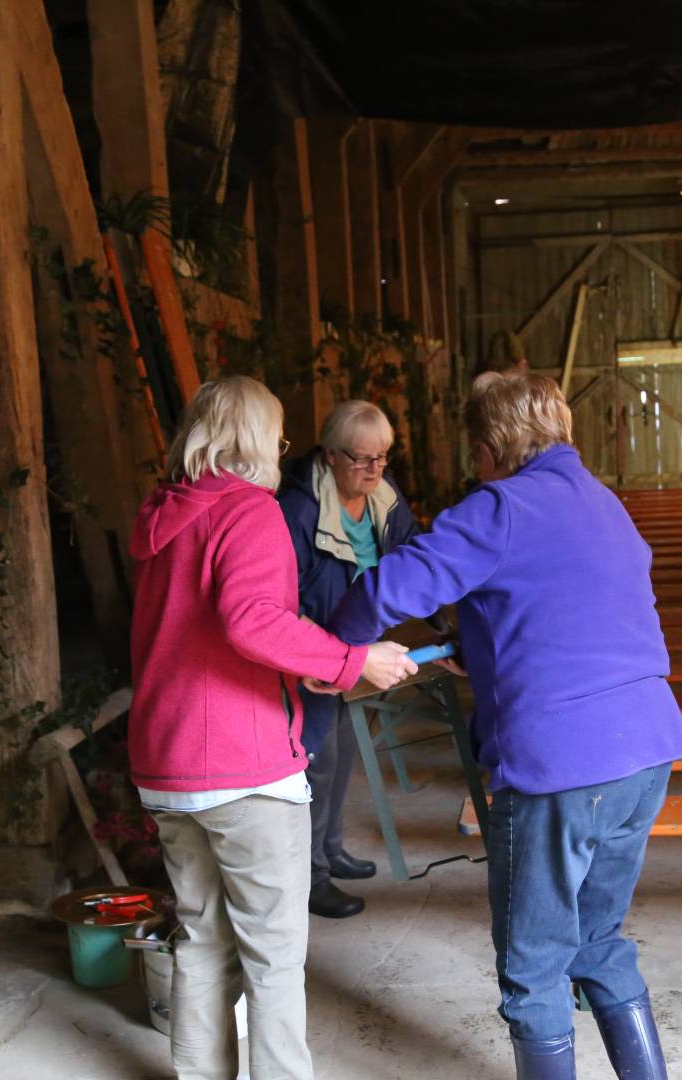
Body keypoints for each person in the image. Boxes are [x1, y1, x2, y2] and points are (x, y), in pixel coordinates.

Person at [325, 371, 682, 1080]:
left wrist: (335, 651)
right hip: (646, 754)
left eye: (477, 452)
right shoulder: (604, 502)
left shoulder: (500, 507)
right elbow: (572, 605)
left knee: (533, 970)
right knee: (599, 942)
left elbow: (390, 587)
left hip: (561, 767)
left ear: (492, 449)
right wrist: (479, 646)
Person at [128, 376, 419, 1080]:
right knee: (274, 956)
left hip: (166, 763)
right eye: (280, 436)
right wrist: (351, 660)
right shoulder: (250, 510)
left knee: (202, 940)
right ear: (260, 439)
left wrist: (306, 669)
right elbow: (252, 620)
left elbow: (204, 634)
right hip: (243, 767)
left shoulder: (163, 515)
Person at [278, 400, 419, 920]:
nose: (374, 469)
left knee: (345, 751)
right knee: (317, 759)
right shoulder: (298, 510)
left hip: (358, 649)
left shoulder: (384, 496)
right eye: (362, 458)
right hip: (314, 650)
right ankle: (311, 877)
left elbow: (414, 556)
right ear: (331, 455)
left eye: (383, 457)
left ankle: (330, 849)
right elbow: (280, 595)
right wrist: (316, 653)